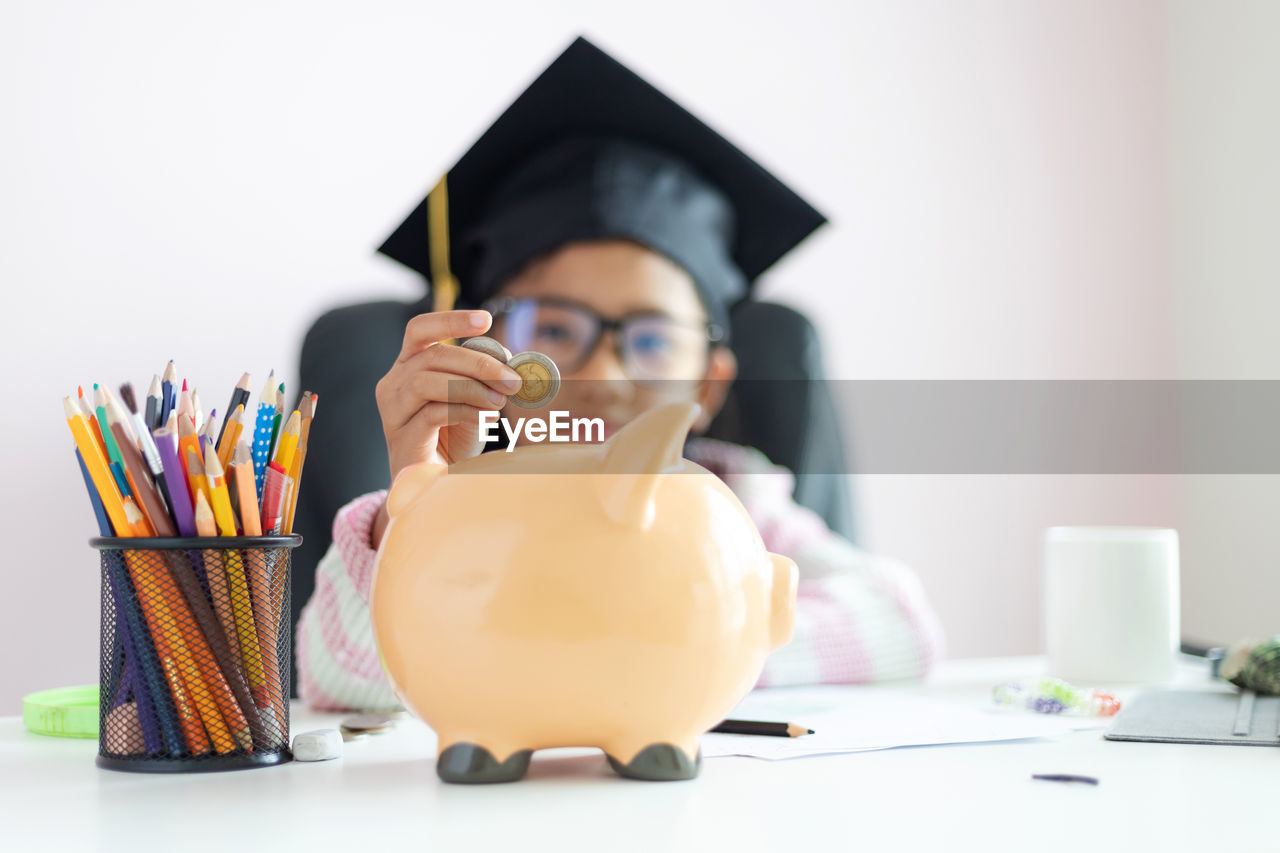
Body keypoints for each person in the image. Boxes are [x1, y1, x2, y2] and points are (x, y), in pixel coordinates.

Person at [296, 37, 944, 712]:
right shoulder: (458, 503)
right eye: (552, 329)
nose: (602, 375)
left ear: (706, 385)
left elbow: (900, 625)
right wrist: (409, 506)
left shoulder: (735, 497)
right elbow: (335, 680)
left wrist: (665, 643)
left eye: (652, 338)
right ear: (489, 353)